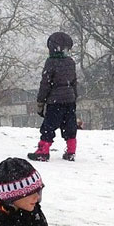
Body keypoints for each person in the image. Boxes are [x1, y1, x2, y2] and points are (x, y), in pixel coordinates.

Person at [27, 32, 78, 162]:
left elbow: (45, 84)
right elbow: (74, 82)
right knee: (70, 126)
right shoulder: (70, 62)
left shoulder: (51, 62)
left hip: (55, 101)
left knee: (48, 126)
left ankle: (43, 151)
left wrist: (41, 102)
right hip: (70, 100)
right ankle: (71, 151)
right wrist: (74, 97)